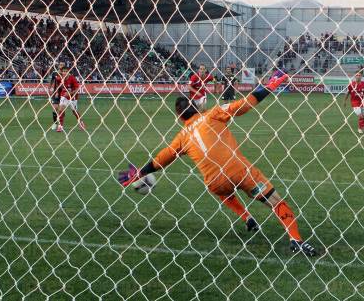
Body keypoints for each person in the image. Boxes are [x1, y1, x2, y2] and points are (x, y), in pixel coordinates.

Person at [118, 73, 318, 257]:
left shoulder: (181, 138)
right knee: (277, 203)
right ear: (197, 107)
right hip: (241, 173)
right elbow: (244, 104)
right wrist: (270, 85)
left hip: (216, 182)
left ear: (179, 118)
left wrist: (139, 173)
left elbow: (160, 160)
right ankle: (295, 239)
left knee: (220, 188)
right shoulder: (212, 114)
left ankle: (245, 216)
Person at [56, 65, 86, 132]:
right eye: (63, 71)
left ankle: (81, 123)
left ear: (68, 72)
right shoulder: (60, 78)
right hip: (64, 96)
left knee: (74, 111)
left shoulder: (72, 78)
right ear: (62, 72)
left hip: (73, 98)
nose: (65, 73)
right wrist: (58, 91)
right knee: (61, 109)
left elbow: (77, 89)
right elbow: (58, 84)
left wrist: (70, 93)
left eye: (66, 71)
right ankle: (60, 126)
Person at [48, 62, 64, 131]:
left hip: (63, 93)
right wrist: (49, 88)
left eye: (63, 65)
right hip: (55, 93)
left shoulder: (65, 73)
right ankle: (55, 123)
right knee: (55, 108)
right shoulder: (55, 73)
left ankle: (60, 125)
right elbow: (52, 81)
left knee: (61, 109)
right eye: (60, 64)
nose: (61, 66)